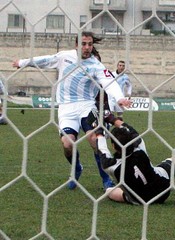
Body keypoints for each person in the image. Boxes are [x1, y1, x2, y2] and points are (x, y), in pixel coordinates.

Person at [12, 31, 132, 190]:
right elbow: (46, 60)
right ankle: (76, 168)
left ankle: (106, 179)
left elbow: (108, 81)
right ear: (77, 45)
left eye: (90, 44)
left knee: (95, 140)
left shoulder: (96, 65)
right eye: (83, 44)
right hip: (66, 108)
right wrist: (23, 62)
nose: (87, 47)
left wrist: (119, 98)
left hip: (86, 106)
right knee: (68, 144)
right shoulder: (65, 57)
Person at [92, 115, 175, 205]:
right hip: (162, 191)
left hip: (139, 200)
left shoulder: (111, 166)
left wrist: (98, 132)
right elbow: (132, 131)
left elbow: (102, 150)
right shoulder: (139, 148)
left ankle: (121, 194)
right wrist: (113, 119)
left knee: (109, 191)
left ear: (114, 146)